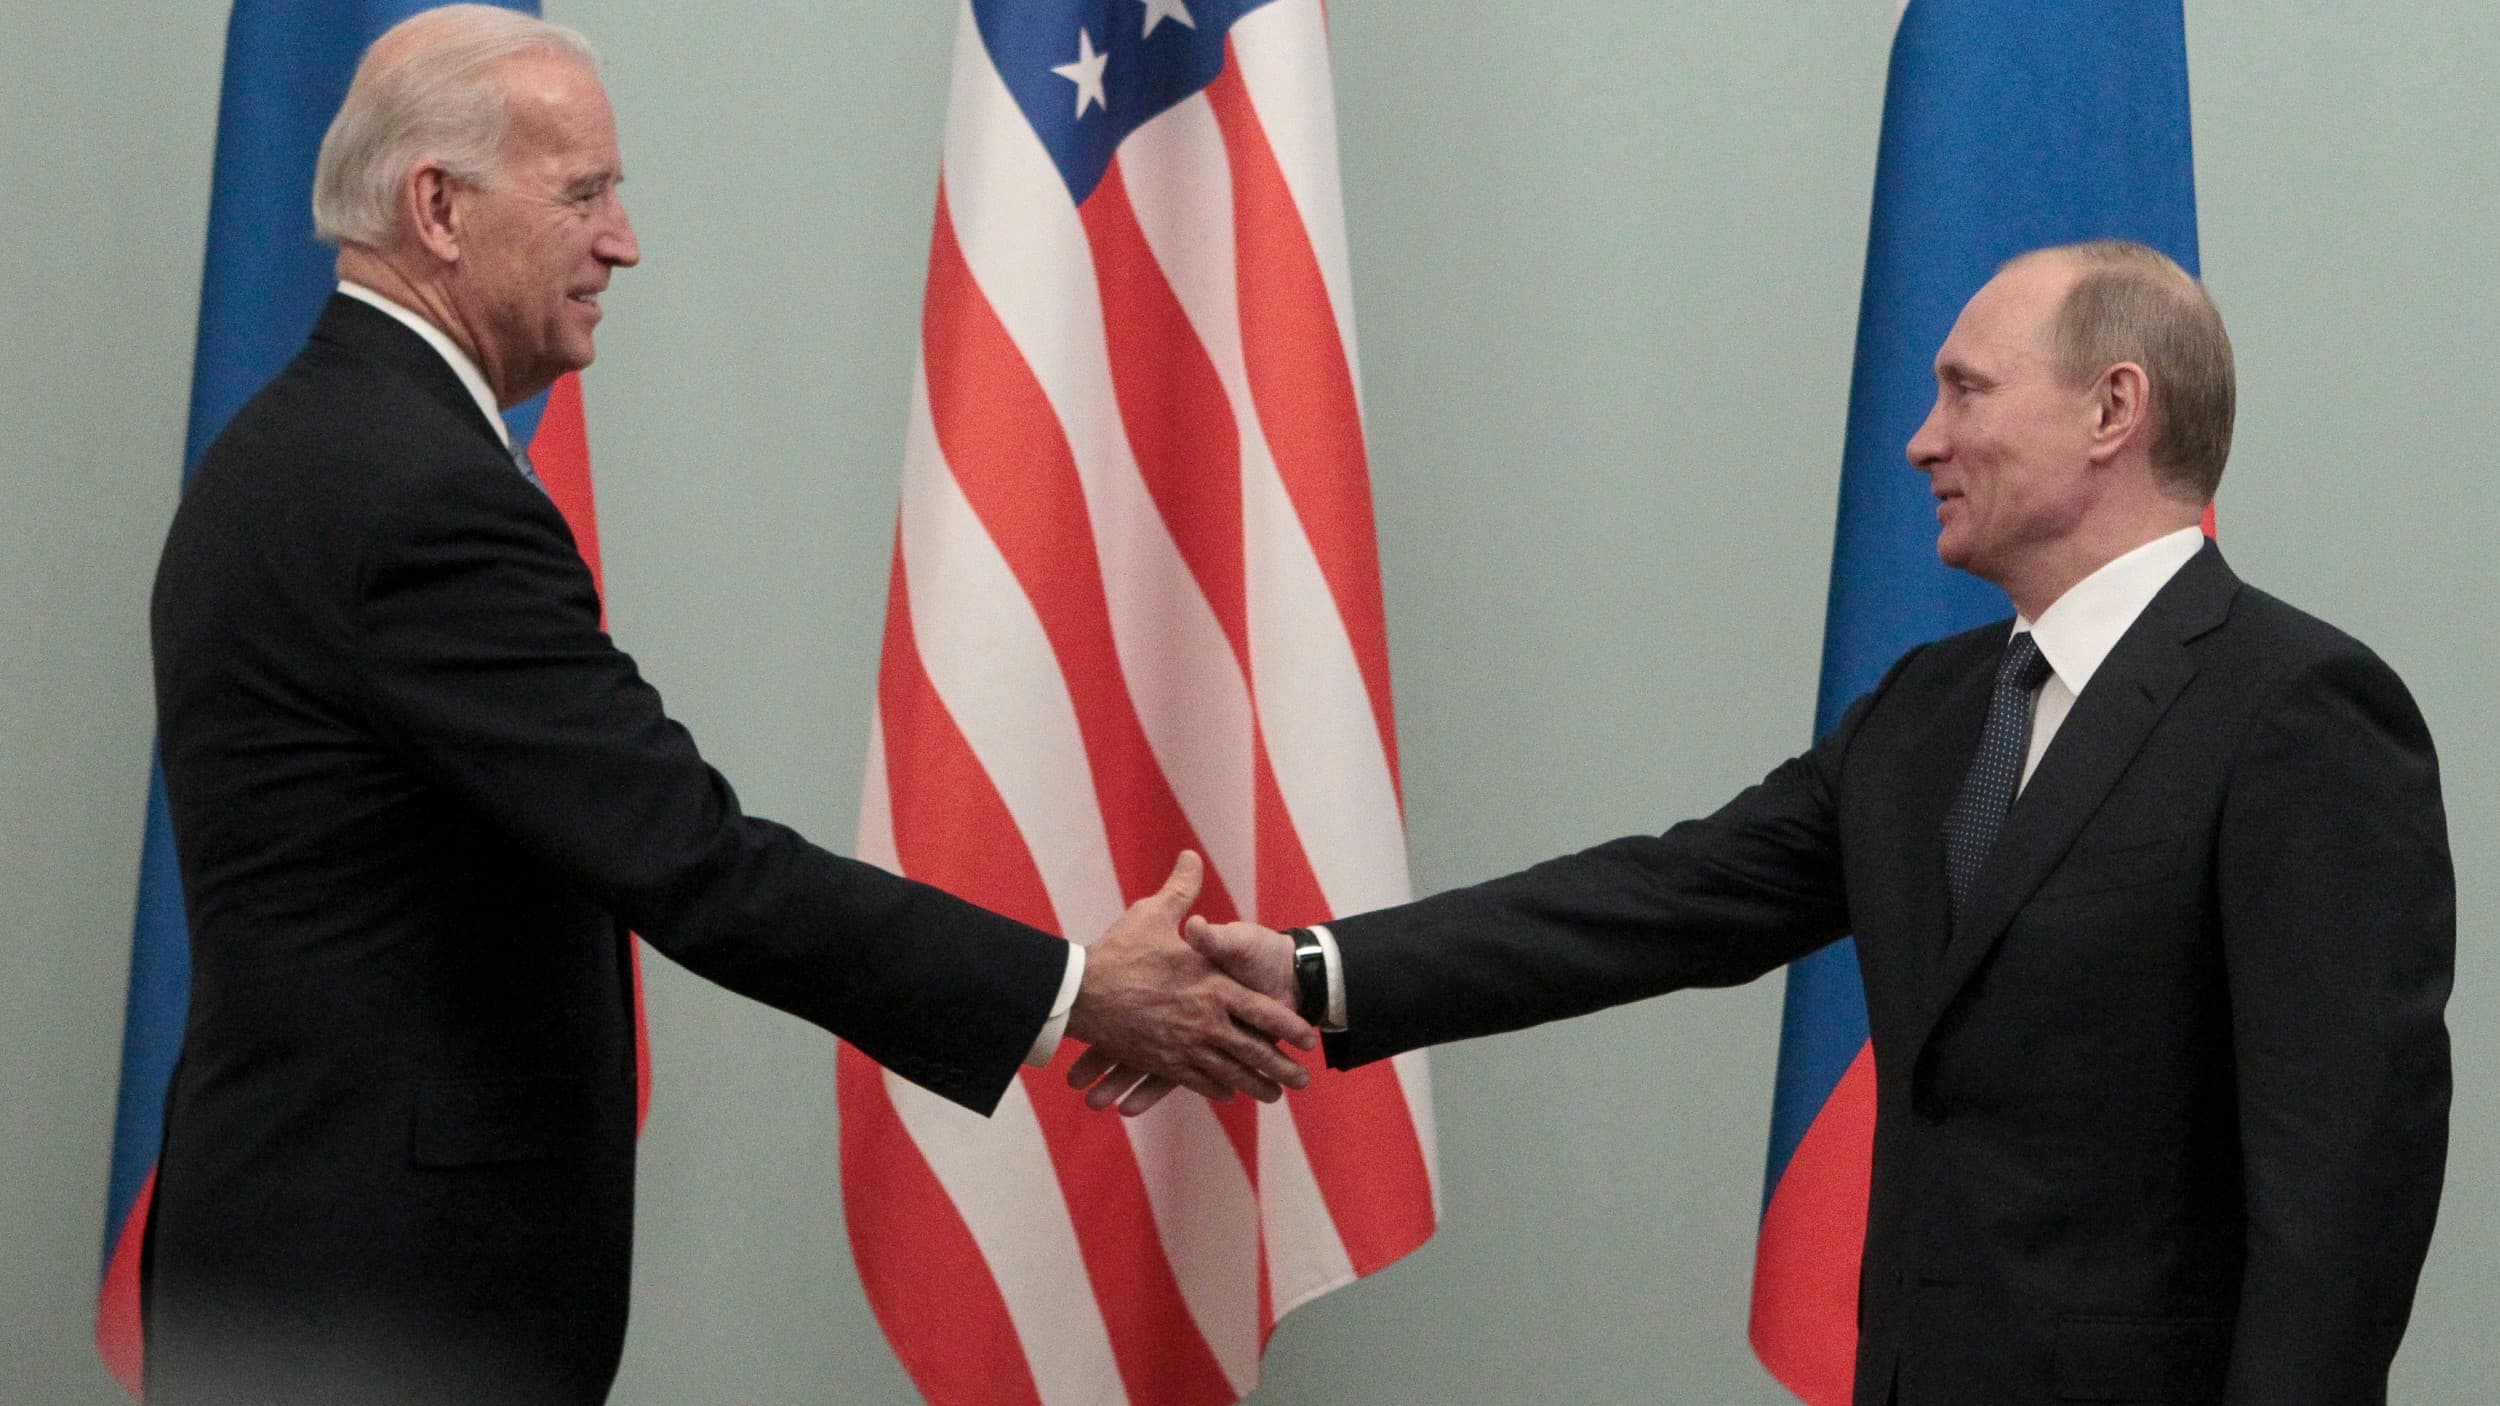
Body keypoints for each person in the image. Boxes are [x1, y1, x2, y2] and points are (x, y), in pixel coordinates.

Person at [143, 9, 1311, 1404]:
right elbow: (692, 858)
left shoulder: (298, 447)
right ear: (438, 207)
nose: (623, 241)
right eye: (585, 194)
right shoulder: (419, 499)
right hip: (376, 1308)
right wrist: (1073, 990)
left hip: (301, 1267)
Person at [1087, 241, 2456, 1405]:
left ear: (2114, 408)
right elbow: (1668, 898)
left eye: (1965, 390)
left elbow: (2343, 1183)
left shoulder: (2297, 710)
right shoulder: (1930, 713)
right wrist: (1318, 969)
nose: (1922, 439)